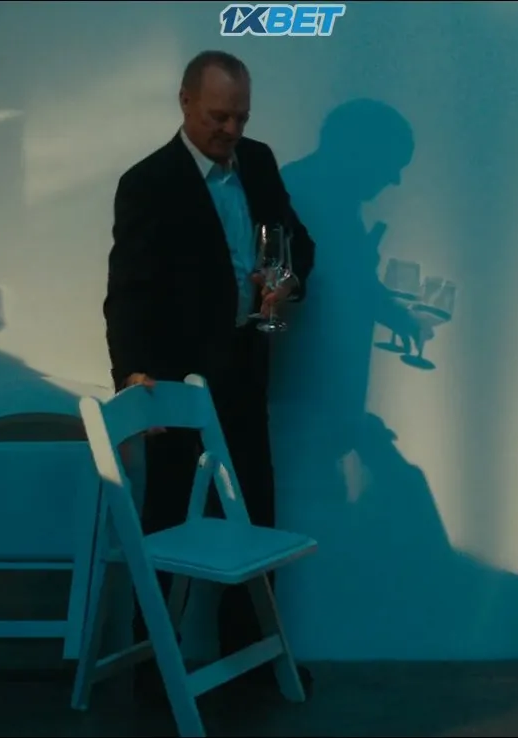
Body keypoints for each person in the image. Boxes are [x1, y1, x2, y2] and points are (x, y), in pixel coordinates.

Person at [102, 50, 315, 692]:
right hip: (176, 386)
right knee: (168, 519)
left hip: (246, 372)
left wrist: (286, 281)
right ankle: (153, 671)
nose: (232, 130)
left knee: (253, 517)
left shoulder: (259, 162)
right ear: (185, 101)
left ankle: (251, 664)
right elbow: (126, 294)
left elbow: (297, 245)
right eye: (220, 116)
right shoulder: (147, 182)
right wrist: (132, 376)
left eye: (241, 117)